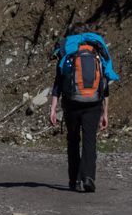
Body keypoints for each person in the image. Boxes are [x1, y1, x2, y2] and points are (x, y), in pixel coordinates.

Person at [48, 23, 118, 192]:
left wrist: (53, 108)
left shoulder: (68, 50)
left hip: (72, 103)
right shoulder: (96, 52)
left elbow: (59, 81)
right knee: (89, 140)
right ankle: (88, 177)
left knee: (73, 140)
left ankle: (74, 180)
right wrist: (105, 112)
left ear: (71, 35)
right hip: (93, 103)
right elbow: (105, 84)